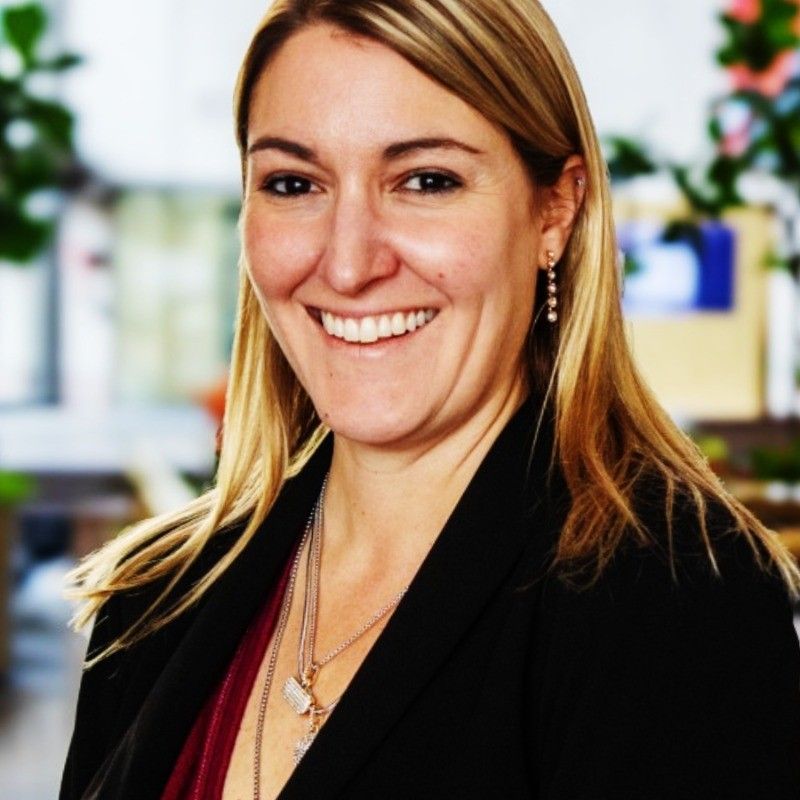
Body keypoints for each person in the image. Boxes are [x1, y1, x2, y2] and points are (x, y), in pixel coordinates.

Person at [61, 1, 800, 798]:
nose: (349, 265)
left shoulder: (676, 600)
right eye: (293, 183)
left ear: (554, 210)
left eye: (426, 181)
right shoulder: (154, 600)